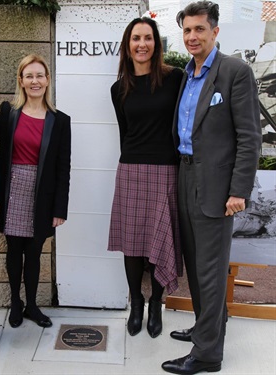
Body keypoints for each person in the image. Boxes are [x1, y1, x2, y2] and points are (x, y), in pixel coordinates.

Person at [162, 2, 261, 374]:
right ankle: (208, 328)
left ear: (215, 32)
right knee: (196, 264)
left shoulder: (235, 71)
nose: (192, 37)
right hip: (185, 177)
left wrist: (239, 191)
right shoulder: (187, 74)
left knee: (211, 269)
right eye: (187, 30)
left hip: (219, 189)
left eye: (199, 29)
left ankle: (206, 355)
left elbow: (250, 138)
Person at [108, 16, 183, 339]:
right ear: (128, 45)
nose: (142, 44)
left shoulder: (175, 78)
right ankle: (136, 303)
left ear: (156, 43)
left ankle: (156, 304)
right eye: (136, 38)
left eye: (148, 38)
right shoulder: (118, 88)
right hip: (131, 170)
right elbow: (125, 134)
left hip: (166, 169)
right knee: (132, 244)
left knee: (159, 239)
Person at [0, 54, 71, 329]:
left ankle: (33, 305)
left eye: (40, 75)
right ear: (21, 81)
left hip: (42, 196)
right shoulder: (9, 113)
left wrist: (60, 209)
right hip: (11, 191)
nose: (35, 81)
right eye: (29, 76)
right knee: (14, 250)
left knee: (34, 252)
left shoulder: (60, 120)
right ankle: (16, 302)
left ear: (47, 80)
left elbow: (63, 167)